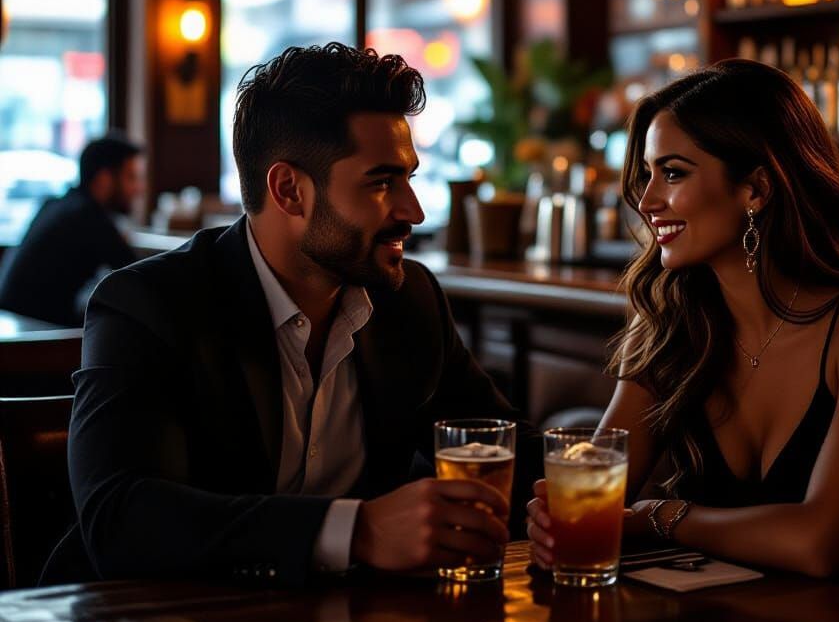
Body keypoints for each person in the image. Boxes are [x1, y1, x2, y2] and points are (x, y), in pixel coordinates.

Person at [45, 43, 538, 587]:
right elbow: (122, 520)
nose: (412, 212)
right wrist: (359, 530)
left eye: (408, 179)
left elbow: (505, 446)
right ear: (289, 190)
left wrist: (618, 490)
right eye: (380, 182)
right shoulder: (148, 304)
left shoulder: (409, 299)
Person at [528, 59, 839, 579]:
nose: (647, 202)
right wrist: (556, 517)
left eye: (672, 173)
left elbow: (819, 544)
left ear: (755, 189)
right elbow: (592, 495)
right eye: (647, 174)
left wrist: (662, 518)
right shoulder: (672, 322)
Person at [0, 133, 144, 327]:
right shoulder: (89, 217)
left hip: (16, 320)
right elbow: (139, 278)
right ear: (104, 178)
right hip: (37, 335)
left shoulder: (58, 204)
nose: (139, 189)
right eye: (131, 178)